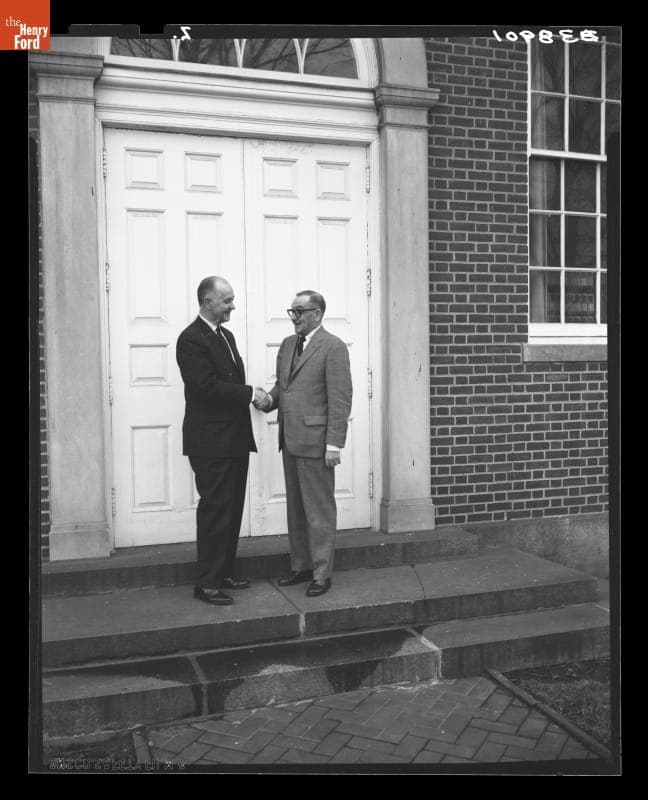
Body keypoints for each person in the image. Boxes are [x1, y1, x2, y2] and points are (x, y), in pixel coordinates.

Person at [176, 276, 267, 606]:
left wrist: (249, 396)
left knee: (231, 510)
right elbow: (206, 387)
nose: (232, 305)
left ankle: (224, 572)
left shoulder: (226, 336)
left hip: (234, 440)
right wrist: (249, 393)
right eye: (226, 300)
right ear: (207, 302)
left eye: (232, 299)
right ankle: (207, 584)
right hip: (210, 442)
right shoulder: (190, 339)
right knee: (216, 511)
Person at [255, 290, 352, 597]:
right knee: (296, 509)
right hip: (291, 439)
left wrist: (334, 444)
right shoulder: (286, 345)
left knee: (319, 510)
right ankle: (301, 566)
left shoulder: (333, 347)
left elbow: (340, 398)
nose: (294, 317)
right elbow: (284, 387)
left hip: (317, 442)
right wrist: (268, 399)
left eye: (300, 311)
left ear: (318, 314)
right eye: (292, 311)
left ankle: (322, 574)